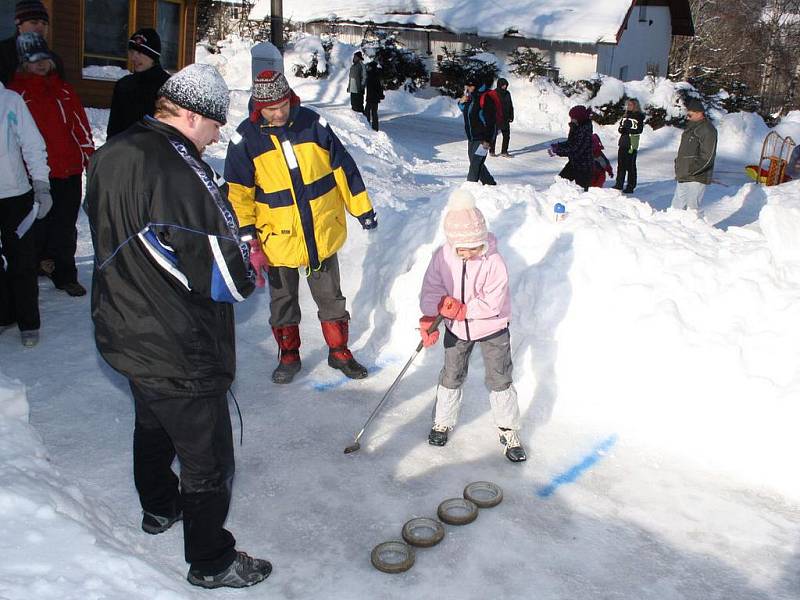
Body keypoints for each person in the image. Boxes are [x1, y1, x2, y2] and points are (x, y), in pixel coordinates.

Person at [84, 63, 271, 590]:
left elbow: (105, 226)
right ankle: (212, 560)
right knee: (207, 455)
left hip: (124, 326)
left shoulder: (113, 152)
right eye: (216, 123)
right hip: (177, 341)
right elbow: (226, 277)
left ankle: (159, 507)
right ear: (191, 116)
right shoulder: (181, 170)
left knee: (153, 421)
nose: (219, 135)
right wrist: (248, 265)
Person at [225, 70, 377, 385]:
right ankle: (289, 354)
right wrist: (249, 240)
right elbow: (238, 195)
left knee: (331, 297)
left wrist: (362, 209)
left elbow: (343, 168)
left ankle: (339, 351)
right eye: (270, 109)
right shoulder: (245, 140)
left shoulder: (312, 124)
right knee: (282, 301)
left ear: (290, 97)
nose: (279, 113)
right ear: (258, 108)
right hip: (277, 240)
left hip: (321, 232)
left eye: (282, 105)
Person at [418, 188, 526, 463]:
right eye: (463, 248)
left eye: (476, 246)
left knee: (500, 379)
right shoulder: (442, 257)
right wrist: (430, 316)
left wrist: (464, 309)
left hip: (493, 329)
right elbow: (432, 288)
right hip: (456, 330)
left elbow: (493, 302)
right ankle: (442, 422)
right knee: (451, 375)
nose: (469, 252)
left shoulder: (494, 262)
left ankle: (509, 430)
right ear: (452, 243)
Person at [9, 33, 94, 297]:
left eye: (44, 58)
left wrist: (88, 156)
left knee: (65, 225)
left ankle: (65, 274)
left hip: (68, 170)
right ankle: (35, 268)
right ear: (24, 63)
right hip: (36, 174)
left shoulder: (65, 90)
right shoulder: (16, 95)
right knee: (36, 226)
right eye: (34, 60)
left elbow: (80, 126)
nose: (41, 64)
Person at [0, 80, 51, 347]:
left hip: (14, 195)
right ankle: (3, 314)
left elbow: (32, 144)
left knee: (21, 259)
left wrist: (41, 184)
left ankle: (28, 322)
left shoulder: (10, 101)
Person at [106, 28, 171, 138]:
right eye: (132, 52)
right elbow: (114, 131)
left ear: (153, 55)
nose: (134, 57)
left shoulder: (168, 86)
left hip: (157, 152)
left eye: (140, 52)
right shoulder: (123, 85)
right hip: (125, 151)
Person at [671, 97, 717, 217]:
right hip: (684, 174)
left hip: (696, 176)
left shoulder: (707, 129)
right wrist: (679, 164)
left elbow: (708, 155)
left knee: (691, 211)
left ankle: (690, 233)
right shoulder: (691, 127)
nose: (687, 117)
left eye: (690, 115)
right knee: (676, 209)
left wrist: (694, 169)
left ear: (699, 113)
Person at [0, 0, 65, 85]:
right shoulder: (3, 52)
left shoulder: (55, 59)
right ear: (19, 24)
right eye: (34, 22)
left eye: (44, 23)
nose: (40, 27)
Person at [458, 77, 496, 185]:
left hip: (483, 138)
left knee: (475, 164)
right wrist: (461, 102)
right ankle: (490, 184)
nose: (467, 88)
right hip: (472, 138)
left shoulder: (485, 98)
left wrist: (487, 140)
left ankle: (470, 187)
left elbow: (491, 121)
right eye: (467, 86)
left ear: (475, 86)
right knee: (476, 162)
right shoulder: (471, 98)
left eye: (470, 86)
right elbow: (467, 111)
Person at [549, 105, 593, 191]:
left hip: (584, 167)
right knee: (560, 183)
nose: (571, 120)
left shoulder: (585, 130)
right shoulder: (575, 126)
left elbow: (576, 150)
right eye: (571, 117)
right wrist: (559, 145)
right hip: (574, 163)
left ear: (580, 118)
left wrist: (557, 151)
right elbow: (570, 142)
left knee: (581, 192)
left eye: (573, 118)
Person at [614, 98, 644, 193]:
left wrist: (629, 130)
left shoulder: (638, 116)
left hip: (631, 143)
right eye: (628, 105)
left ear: (635, 106)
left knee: (630, 166)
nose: (629, 106)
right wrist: (621, 130)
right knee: (621, 165)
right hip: (623, 142)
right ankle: (619, 184)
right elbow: (621, 127)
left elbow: (639, 130)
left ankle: (630, 186)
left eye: (631, 105)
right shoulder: (625, 115)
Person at [489, 78, 514, 157]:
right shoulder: (493, 93)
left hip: (505, 118)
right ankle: (492, 151)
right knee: (494, 135)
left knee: (506, 135)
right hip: (496, 118)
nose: (505, 87)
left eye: (506, 85)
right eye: (503, 85)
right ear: (499, 85)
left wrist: (511, 115)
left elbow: (510, 105)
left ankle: (504, 151)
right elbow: (489, 106)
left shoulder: (507, 93)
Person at [363, 59, 384, 131]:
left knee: (367, 112)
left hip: (370, 97)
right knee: (374, 113)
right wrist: (381, 95)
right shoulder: (377, 75)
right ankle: (375, 128)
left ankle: (367, 126)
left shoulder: (370, 75)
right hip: (375, 97)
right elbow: (380, 87)